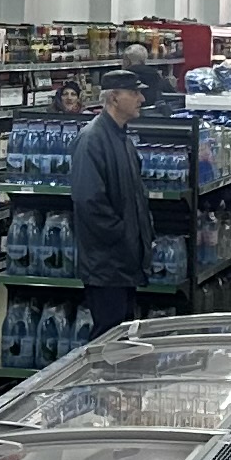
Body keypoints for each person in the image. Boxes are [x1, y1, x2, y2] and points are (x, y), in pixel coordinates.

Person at [69, 65, 157, 341]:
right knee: (108, 337)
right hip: (107, 262)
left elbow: (134, 196)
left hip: (123, 261)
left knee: (121, 336)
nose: (141, 99)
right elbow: (88, 201)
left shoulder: (122, 138)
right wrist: (122, 236)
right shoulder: (92, 140)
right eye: (134, 93)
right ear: (114, 98)